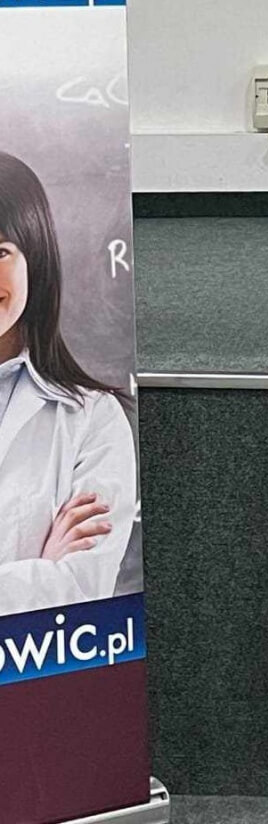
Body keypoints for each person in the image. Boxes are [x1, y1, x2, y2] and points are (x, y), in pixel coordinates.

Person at [0, 150, 137, 616]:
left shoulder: (93, 419)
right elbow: (56, 586)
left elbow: (83, 589)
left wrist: (57, 580)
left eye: (0, 252)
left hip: (47, 659)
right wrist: (41, 574)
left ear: (36, 260)